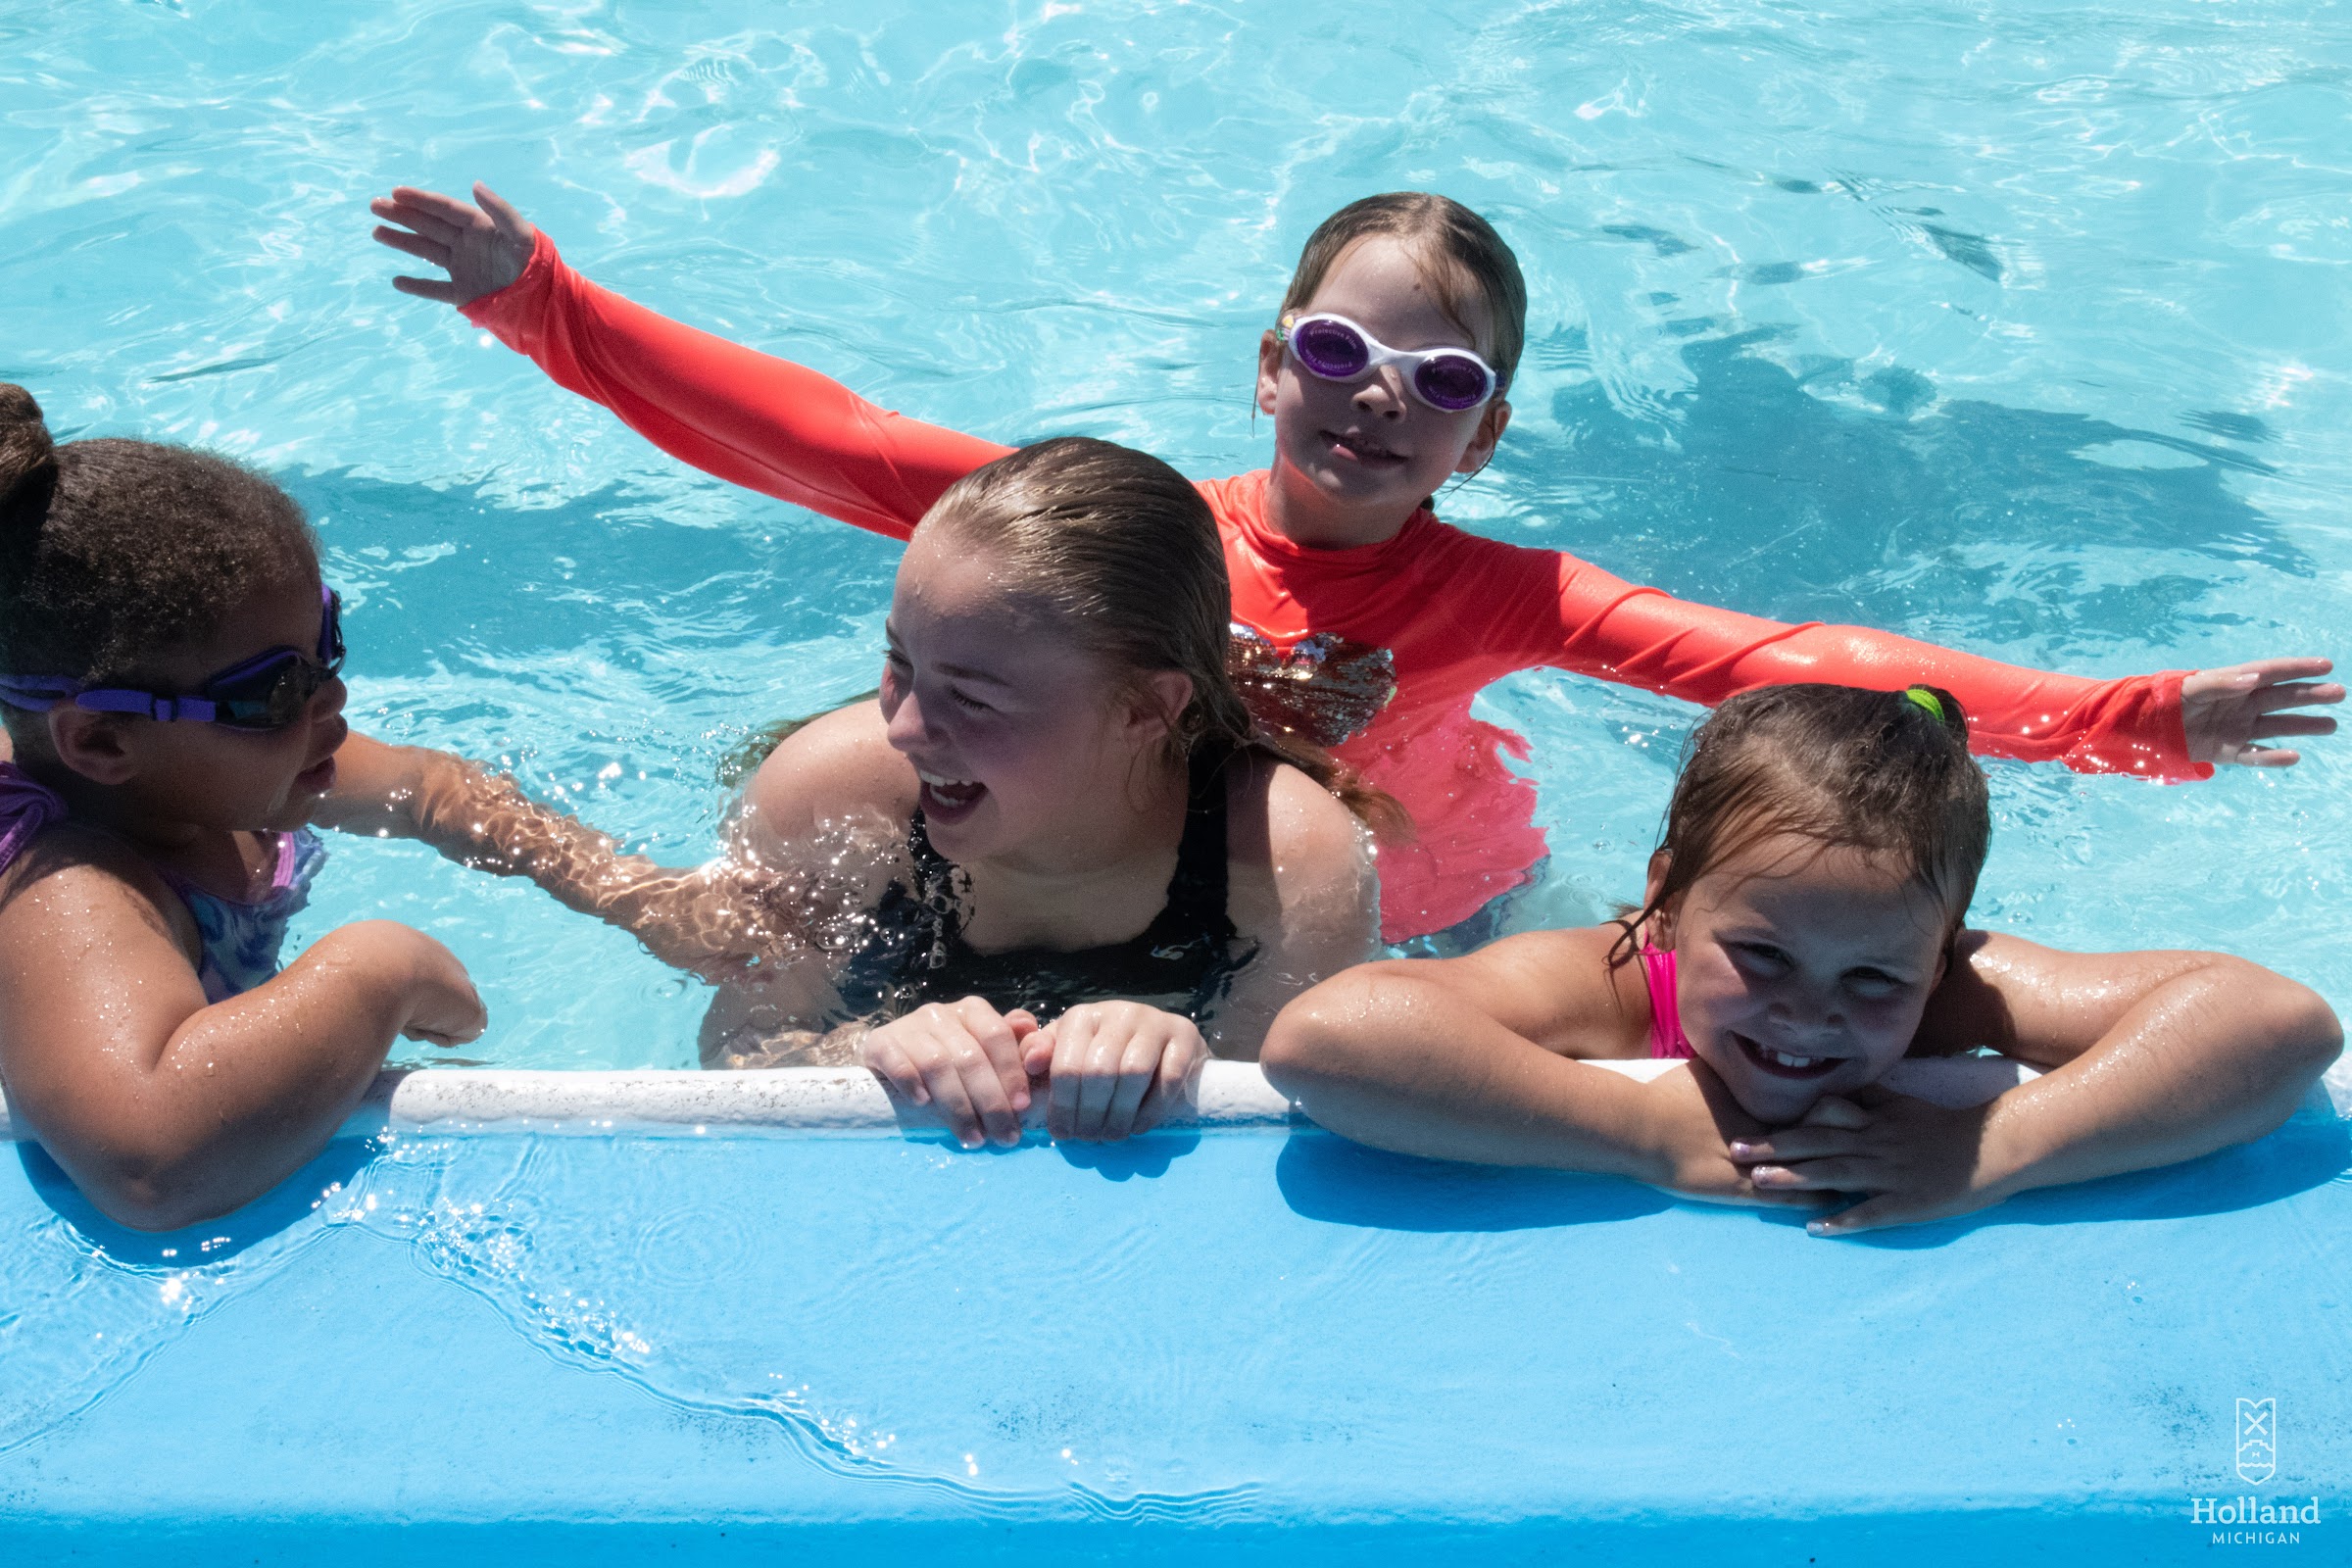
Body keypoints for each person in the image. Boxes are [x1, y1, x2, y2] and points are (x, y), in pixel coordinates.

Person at [366, 183, 2341, 946]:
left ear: (1486, 433)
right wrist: (546, 304)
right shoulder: (1133, 529)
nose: (1377, 397)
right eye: (1337, 349)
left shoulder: (1506, 599)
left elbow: (1784, 660)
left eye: (1440, 379)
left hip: (1432, 900)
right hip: (1153, 870)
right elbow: (825, 440)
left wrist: (2129, 716)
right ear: (1270, 364)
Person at [322, 438, 1379, 1148]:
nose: (907, 730)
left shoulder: (1285, 859)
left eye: (974, 698)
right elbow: (737, 1052)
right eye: (899, 664)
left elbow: (1284, 1117)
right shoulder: (835, 794)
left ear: (1149, 708)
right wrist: (858, 1052)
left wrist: (1183, 1063)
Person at [1259, 683, 2341, 1235]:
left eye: (1873, 980)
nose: (1809, 1015)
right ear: (1667, 902)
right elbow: (1325, 1040)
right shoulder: (1623, 979)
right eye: (1761, 956)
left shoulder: (1953, 990)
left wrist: (1996, 1147)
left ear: (1943, 951)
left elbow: (2277, 1021)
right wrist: (1642, 1133)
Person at [0, 385, 485, 1232]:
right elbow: (150, 1166)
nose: (331, 697)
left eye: (324, 640)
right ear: (103, 742)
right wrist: (382, 971)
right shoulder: (65, 896)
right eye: (276, 687)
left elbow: (431, 790)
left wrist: (639, 897)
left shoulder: (240, 763)